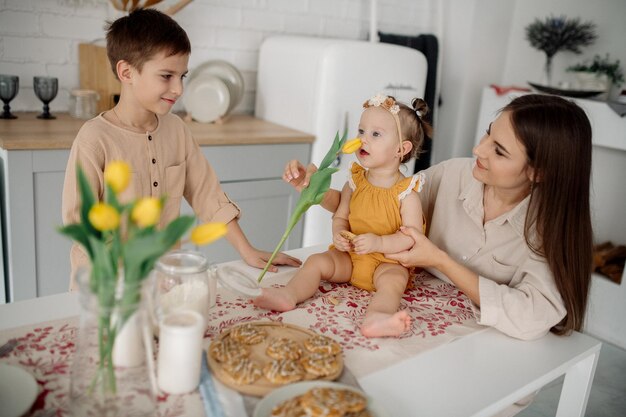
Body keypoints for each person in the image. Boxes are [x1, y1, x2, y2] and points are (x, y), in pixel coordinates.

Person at [282, 93, 593, 341]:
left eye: (499, 151)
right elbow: (377, 204)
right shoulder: (453, 174)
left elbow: (532, 316)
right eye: (487, 135)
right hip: (424, 325)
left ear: (538, 172)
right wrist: (314, 189)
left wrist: (441, 260)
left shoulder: (546, 228)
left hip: (485, 354)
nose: (478, 149)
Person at [62, 8, 300, 291]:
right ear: (126, 72)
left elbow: (207, 194)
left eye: (182, 76)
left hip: (163, 282)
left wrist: (246, 250)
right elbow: (82, 225)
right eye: (166, 76)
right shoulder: (94, 139)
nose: (178, 89)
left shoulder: (176, 130)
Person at [254, 94, 433, 338]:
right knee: (316, 261)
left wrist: (379, 243)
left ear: (401, 149)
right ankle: (288, 295)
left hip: (386, 263)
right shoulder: (355, 181)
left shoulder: (407, 193)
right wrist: (338, 234)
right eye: (361, 131)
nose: (362, 140)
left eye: (375, 134)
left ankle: (377, 319)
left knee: (393, 285)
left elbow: (412, 238)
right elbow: (341, 216)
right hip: (351, 257)